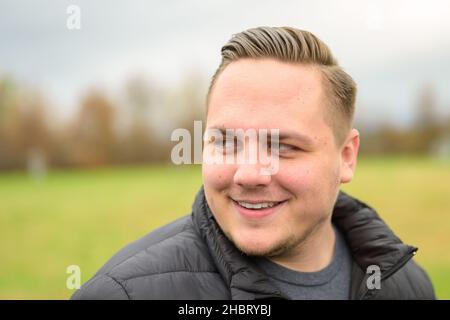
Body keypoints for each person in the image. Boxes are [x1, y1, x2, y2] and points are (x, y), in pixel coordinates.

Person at [71, 26, 435, 300]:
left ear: (346, 157)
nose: (248, 174)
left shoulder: (406, 286)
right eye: (226, 142)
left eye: (283, 147)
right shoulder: (124, 295)